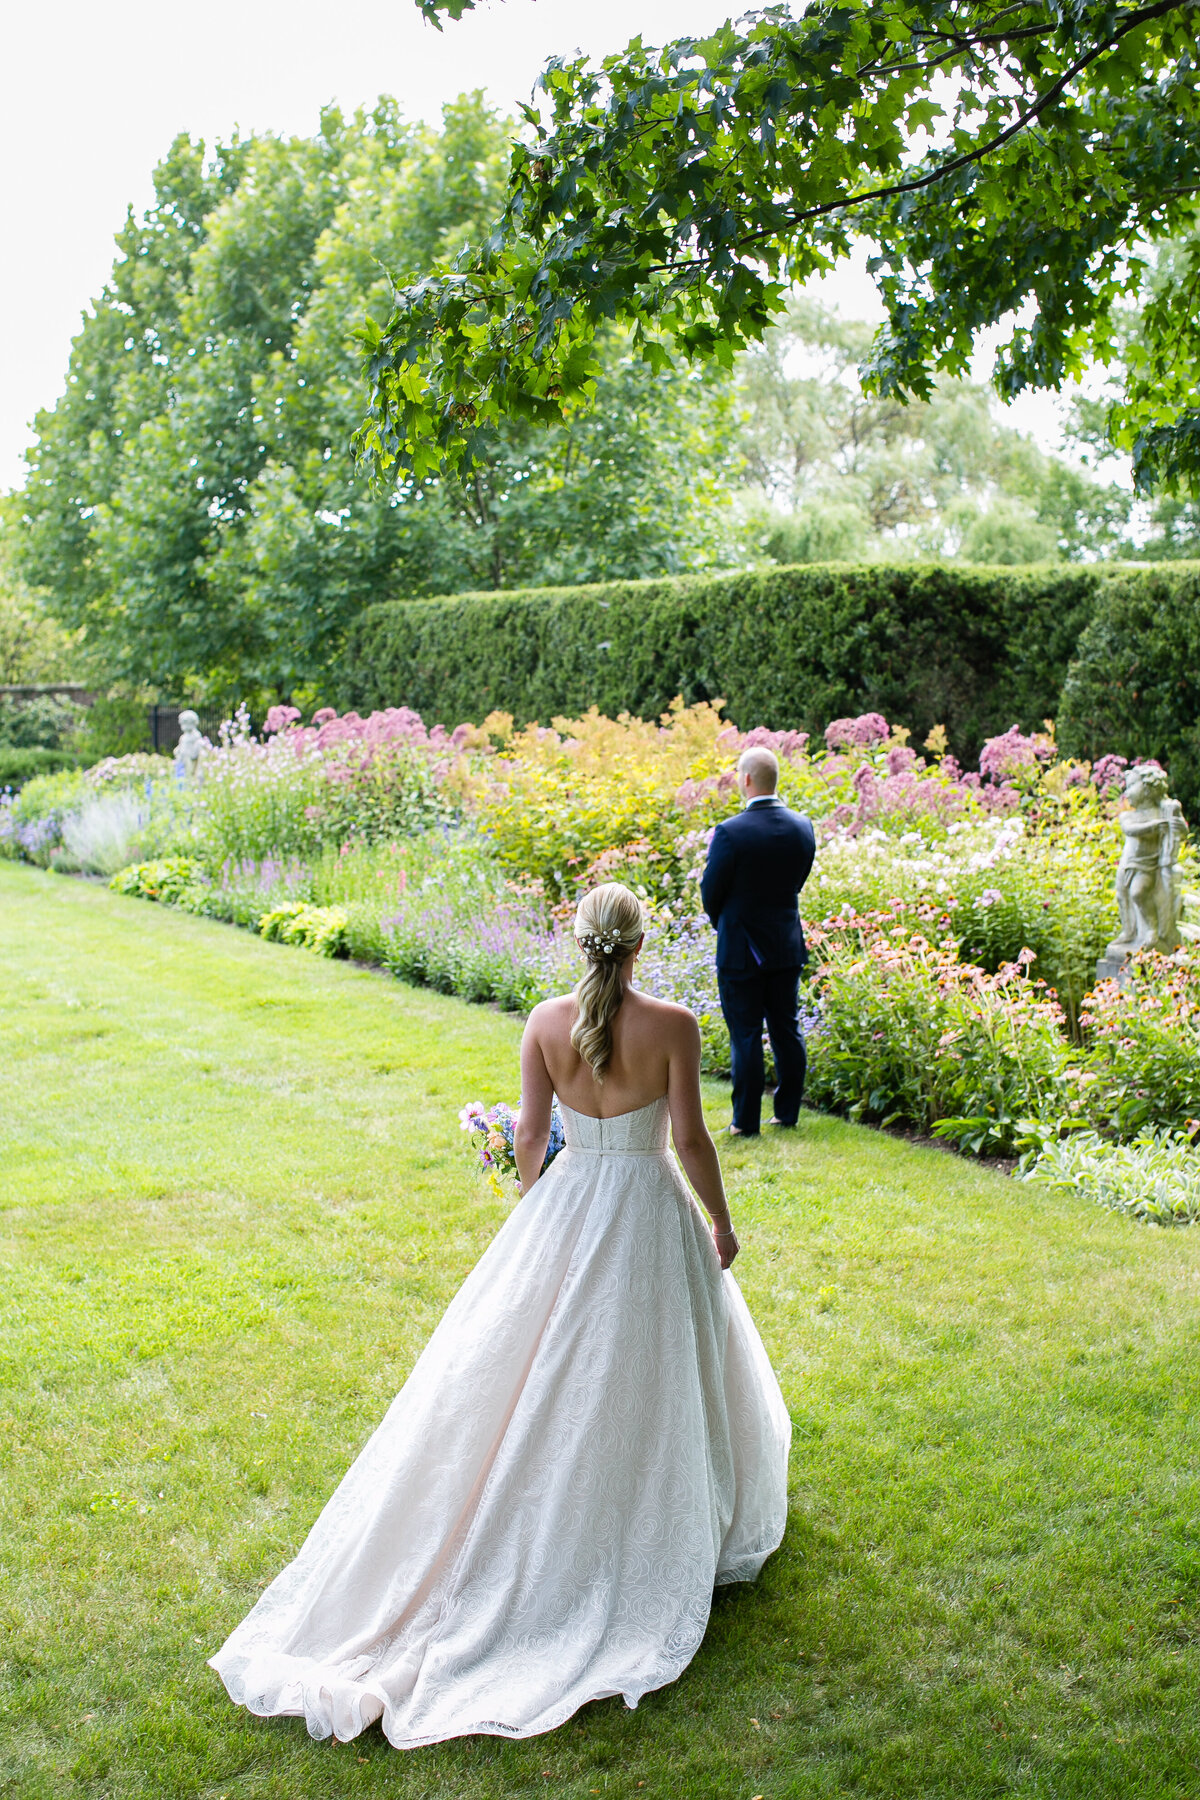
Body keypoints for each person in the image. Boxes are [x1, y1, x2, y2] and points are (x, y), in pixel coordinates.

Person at [209, 881, 790, 1749]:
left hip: (566, 1203)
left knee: (546, 1376)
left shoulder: (545, 1021)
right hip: (644, 1208)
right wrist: (722, 1220)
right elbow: (692, 1140)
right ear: (638, 944)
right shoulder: (673, 1025)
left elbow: (529, 1132)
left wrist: (537, 1216)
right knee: (645, 1370)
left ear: (581, 941)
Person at [700, 746, 816, 1137]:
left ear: (746, 779)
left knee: (746, 1034)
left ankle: (744, 1123)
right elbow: (797, 882)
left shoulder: (731, 832)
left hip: (740, 952)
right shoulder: (803, 827)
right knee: (787, 1029)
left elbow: (710, 891)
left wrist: (726, 924)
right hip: (786, 946)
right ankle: (787, 1113)